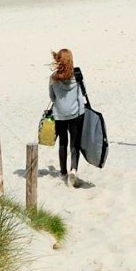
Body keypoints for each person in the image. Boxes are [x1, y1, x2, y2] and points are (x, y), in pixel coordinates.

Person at [48, 48, 86, 188]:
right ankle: (73, 170)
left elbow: (52, 97)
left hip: (59, 114)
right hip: (75, 114)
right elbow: (81, 96)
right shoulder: (77, 76)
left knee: (62, 142)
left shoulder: (53, 78)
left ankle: (63, 172)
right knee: (74, 143)